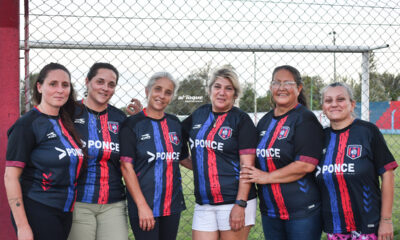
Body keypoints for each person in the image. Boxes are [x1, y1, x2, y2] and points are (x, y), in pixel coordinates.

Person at [240, 65, 324, 240]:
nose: (281, 88)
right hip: (270, 212)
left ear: (298, 88)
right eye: (276, 83)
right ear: (271, 88)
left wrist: (266, 177)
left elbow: (305, 165)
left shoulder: (305, 119)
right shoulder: (264, 121)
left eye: (287, 83)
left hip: (302, 212)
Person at [4, 63, 85, 240]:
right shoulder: (27, 125)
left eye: (65, 85)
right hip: (38, 208)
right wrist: (23, 227)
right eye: (53, 84)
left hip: (64, 211)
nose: (60, 90)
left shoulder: (66, 122)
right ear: (39, 87)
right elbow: (10, 177)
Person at [182, 67, 258, 240]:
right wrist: (148, 116)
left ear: (235, 94)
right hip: (204, 202)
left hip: (234, 201)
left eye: (228, 88)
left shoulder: (241, 120)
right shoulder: (199, 114)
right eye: (217, 87)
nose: (222, 92)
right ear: (210, 90)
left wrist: (240, 204)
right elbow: (173, 136)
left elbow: (248, 167)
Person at [315, 82, 398, 240]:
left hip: (368, 224)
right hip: (334, 226)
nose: (334, 104)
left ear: (352, 104)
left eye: (340, 99)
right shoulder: (319, 137)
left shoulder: (368, 131)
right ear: (323, 106)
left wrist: (386, 220)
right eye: (328, 100)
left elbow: (387, 174)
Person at [68, 63, 139, 240]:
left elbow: (131, 158)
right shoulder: (69, 113)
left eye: (111, 84)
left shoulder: (120, 118)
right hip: (78, 201)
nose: (105, 88)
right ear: (87, 82)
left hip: (113, 202)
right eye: (100, 82)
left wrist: (139, 119)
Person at [119, 72, 190, 240]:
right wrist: (142, 206)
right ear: (147, 91)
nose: (162, 95)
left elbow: (183, 158)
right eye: (158, 89)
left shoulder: (175, 123)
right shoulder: (132, 124)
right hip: (144, 206)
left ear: (172, 96)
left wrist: (217, 162)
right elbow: (125, 167)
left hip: (172, 205)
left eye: (168, 92)